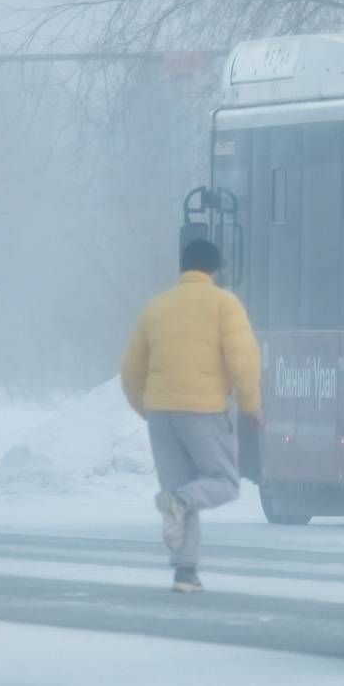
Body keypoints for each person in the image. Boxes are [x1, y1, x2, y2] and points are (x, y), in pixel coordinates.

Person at [121, 239, 262, 593]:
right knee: (223, 482)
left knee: (178, 489)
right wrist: (251, 405)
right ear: (215, 270)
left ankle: (185, 572)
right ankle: (180, 505)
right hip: (203, 409)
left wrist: (148, 408)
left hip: (160, 412)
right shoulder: (224, 305)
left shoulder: (156, 308)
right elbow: (242, 360)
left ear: (183, 268)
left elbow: (130, 371)